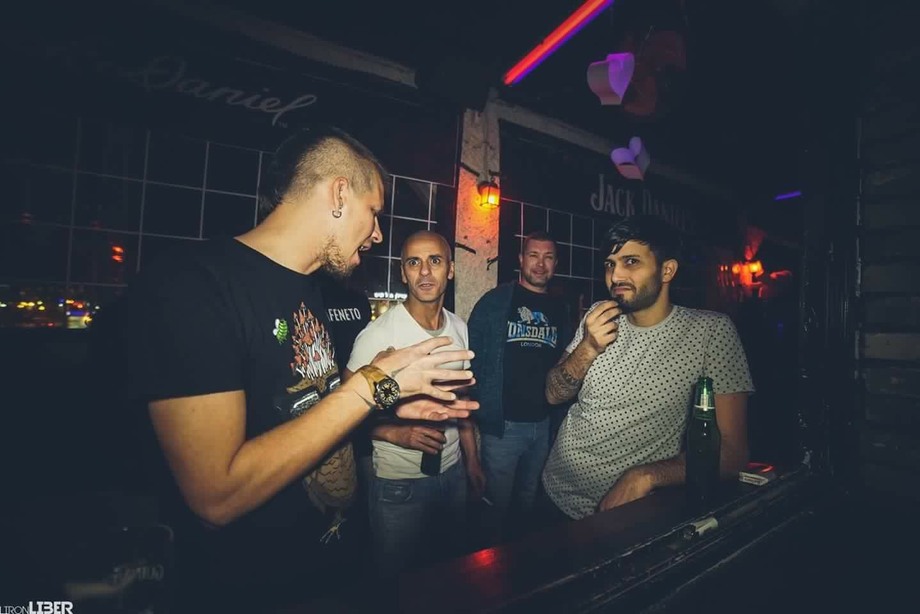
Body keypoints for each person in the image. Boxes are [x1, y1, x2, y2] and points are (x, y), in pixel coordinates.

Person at [127, 126, 476, 611]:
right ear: (339, 194)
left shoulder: (312, 291)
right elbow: (215, 497)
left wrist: (390, 401)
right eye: (374, 211)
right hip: (257, 588)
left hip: (332, 565)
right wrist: (372, 387)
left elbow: (307, 407)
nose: (377, 234)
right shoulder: (193, 286)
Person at [541, 215, 754, 521]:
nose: (615, 276)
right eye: (610, 264)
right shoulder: (598, 315)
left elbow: (733, 454)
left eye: (631, 262)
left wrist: (647, 475)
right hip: (554, 491)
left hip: (626, 515)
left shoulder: (710, 332)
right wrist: (588, 346)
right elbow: (553, 394)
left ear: (667, 270)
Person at [345, 230, 485, 579]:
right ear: (403, 273)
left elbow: (461, 398)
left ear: (450, 269)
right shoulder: (379, 334)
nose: (424, 272)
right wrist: (396, 433)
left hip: (452, 473)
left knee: (449, 574)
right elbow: (342, 407)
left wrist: (472, 461)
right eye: (414, 262)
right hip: (398, 483)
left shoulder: (459, 326)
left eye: (434, 261)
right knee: (396, 583)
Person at [467, 231, 572, 543]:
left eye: (548, 257)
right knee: (494, 510)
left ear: (555, 263)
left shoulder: (561, 309)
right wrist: (477, 413)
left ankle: (519, 564)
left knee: (527, 505)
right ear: (521, 259)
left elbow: (567, 365)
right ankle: (486, 567)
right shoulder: (494, 302)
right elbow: (471, 360)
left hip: (544, 426)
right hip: (503, 428)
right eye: (533, 255)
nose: (540, 264)